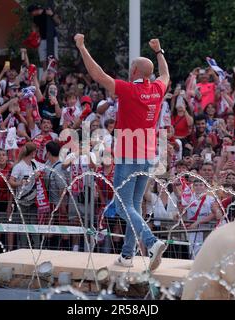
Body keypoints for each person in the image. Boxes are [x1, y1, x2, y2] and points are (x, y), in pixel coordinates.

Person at [74, 33, 170, 271]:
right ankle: (127, 255)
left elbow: (97, 75)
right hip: (149, 155)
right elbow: (165, 74)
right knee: (134, 206)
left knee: (123, 205)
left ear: (135, 71)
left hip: (129, 154)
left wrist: (81, 46)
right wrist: (159, 52)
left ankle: (152, 242)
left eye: (131, 67)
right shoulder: (157, 89)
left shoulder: (128, 90)